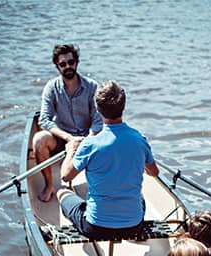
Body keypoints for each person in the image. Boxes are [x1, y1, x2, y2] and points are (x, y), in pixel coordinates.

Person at [55, 80, 159, 238]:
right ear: (123, 107)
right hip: (133, 225)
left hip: (95, 226)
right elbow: (154, 172)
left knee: (62, 192)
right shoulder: (139, 139)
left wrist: (70, 151)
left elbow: (65, 176)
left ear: (97, 109)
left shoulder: (90, 144)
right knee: (141, 198)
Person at [34, 44, 104, 202]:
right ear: (57, 67)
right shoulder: (51, 88)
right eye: (63, 64)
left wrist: (86, 141)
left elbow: (98, 120)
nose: (67, 66)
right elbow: (44, 119)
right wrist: (69, 139)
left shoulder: (92, 87)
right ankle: (49, 185)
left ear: (77, 62)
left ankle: (97, 188)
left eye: (70, 62)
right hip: (63, 139)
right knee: (39, 139)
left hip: (88, 139)